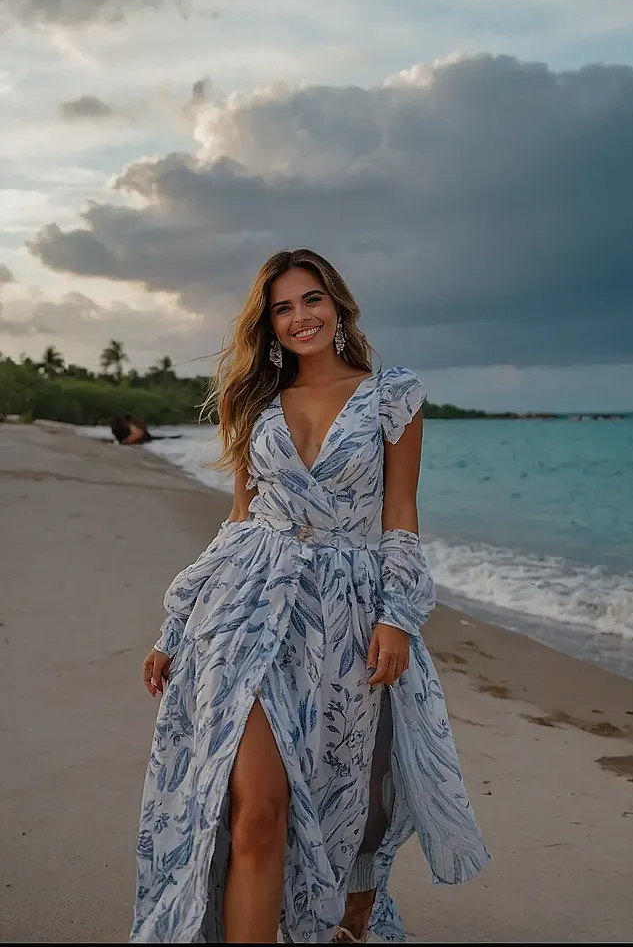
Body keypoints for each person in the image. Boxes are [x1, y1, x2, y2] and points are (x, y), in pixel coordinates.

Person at [131, 248, 489, 944]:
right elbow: (239, 521)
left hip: (344, 614)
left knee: (336, 799)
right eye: (283, 307)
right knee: (255, 812)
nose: (300, 317)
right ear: (267, 325)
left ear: (339, 306)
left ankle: (337, 920)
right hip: (244, 610)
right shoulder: (253, 403)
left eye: (312, 300)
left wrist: (396, 617)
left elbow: (400, 515)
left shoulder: (392, 395)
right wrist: (174, 626)